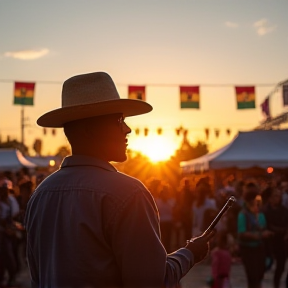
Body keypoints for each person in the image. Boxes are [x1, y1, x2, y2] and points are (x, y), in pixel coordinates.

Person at [24, 72, 215, 288]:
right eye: (119, 120)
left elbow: (37, 278)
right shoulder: (127, 193)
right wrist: (190, 253)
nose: (128, 129)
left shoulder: (40, 195)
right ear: (90, 130)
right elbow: (152, 282)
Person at [237, 182, 273, 288]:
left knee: (259, 275)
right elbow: (242, 233)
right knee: (253, 277)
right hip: (248, 250)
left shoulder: (260, 214)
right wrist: (260, 235)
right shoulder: (243, 214)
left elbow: (262, 227)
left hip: (260, 249)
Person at [263, 187, 288, 288]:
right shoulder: (265, 211)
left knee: (281, 266)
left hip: (283, 241)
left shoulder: (284, 210)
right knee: (270, 265)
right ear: (269, 198)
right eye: (275, 196)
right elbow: (266, 226)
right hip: (271, 242)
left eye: (279, 196)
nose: (277, 198)